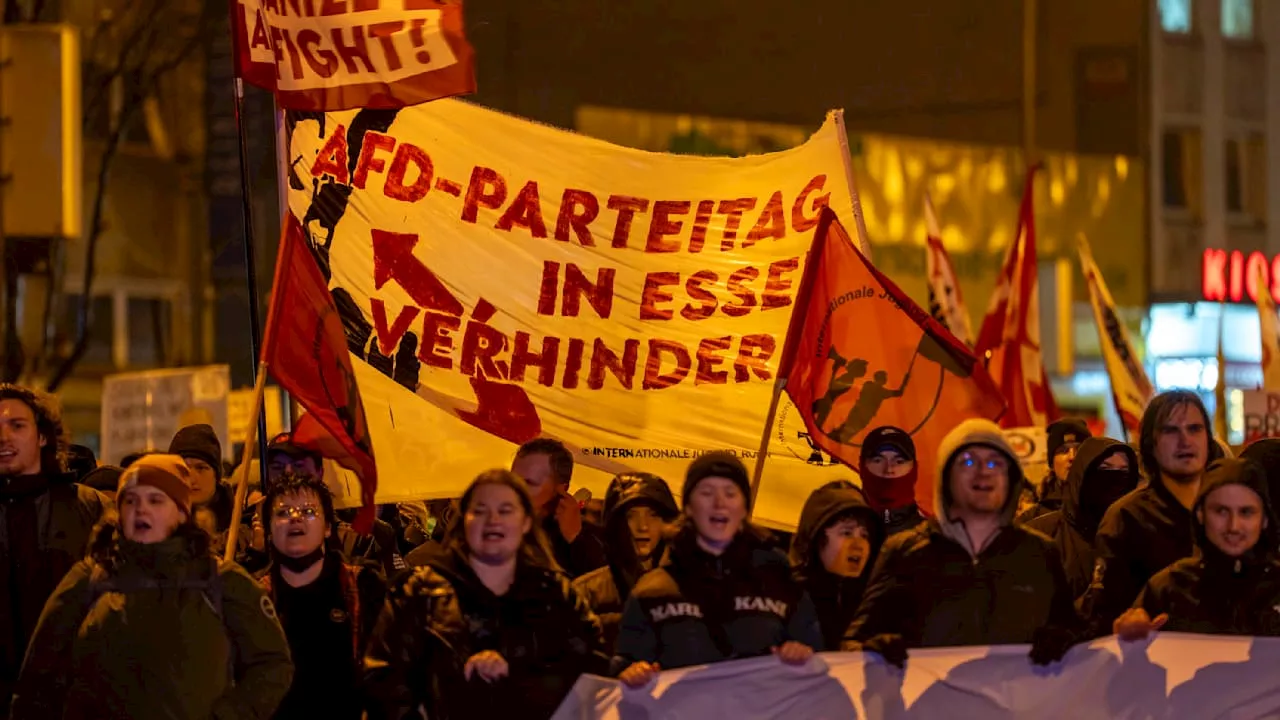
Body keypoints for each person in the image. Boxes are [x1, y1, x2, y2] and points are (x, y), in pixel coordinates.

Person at [10, 455, 293, 719]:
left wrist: (228, 715)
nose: (140, 509)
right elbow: (38, 677)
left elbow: (271, 664)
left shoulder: (221, 581)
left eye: (155, 500)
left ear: (182, 513)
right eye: (130, 501)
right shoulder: (89, 579)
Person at [364, 470, 605, 720]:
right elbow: (382, 679)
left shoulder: (557, 595)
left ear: (525, 522)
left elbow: (591, 671)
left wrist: (516, 673)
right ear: (462, 520)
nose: (493, 520)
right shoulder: (419, 593)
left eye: (505, 510)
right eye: (480, 510)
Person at [844, 420, 1083, 667]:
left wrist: (1066, 641)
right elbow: (851, 645)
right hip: (931, 704)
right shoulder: (904, 553)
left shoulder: (1040, 555)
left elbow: (1077, 638)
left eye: (994, 463)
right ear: (946, 477)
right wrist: (870, 649)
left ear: (1010, 478)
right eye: (968, 462)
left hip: (1015, 703)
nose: (983, 471)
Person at [613, 452, 821, 688]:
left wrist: (803, 654)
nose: (719, 503)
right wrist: (631, 672)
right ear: (689, 507)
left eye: (730, 493)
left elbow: (816, 660)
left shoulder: (781, 583)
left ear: (744, 508)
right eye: (707, 493)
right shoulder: (652, 593)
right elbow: (624, 662)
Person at [0, 384, 111, 711]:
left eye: (17, 426)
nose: (4, 437)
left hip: (71, 700)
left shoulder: (89, 508)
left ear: (43, 436)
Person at [1081, 390, 1222, 633]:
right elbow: (1101, 617)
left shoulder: (1230, 511)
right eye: (1171, 430)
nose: (1185, 440)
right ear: (1150, 444)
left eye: (1195, 429)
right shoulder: (1126, 518)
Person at [261, 471, 386, 720]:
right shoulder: (254, 597)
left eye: (308, 511)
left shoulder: (362, 587)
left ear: (328, 527)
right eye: (283, 513)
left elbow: (388, 675)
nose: (295, 518)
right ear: (268, 530)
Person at [1113, 458, 1280, 639]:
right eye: (1221, 511)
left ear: (1265, 519)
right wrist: (1128, 636)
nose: (1234, 526)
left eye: (1246, 512)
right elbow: (1128, 656)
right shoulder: (1170, 587)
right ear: (1200, 514)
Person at [574, 473, 680, 650]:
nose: (643, 526)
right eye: (631, 516)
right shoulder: (585, 592)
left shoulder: (691, 589)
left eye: (652, 515)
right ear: (616, 523)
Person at [1027, 438, 1141, 601]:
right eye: (1105, 468)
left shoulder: (1139, 534)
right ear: (1082, 473)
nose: (1114, 478)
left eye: (1123, 471)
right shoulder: (1041, 536)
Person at [789, 480, 884, 650]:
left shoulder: (871, 604)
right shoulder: (786, 597)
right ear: (817, 538)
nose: (858, 544)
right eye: (846, 532)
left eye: (864, 535)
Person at [511, 438, 608, 578]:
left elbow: (606, 586)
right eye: (512, 479)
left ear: (561, 489)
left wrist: (576, 537)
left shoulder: (585, 538)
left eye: (530, 483)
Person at [857, 426, 926, 536]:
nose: (889, 469)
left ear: (915, 469)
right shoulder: (842, 537)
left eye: (899, 461)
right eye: (878, 460)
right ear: (861, 467)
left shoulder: (933, 540)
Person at [1018, 418, 1090, 522]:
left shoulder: (1108, 510)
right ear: (1052, 463)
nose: (1072, 457)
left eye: (1079, 450)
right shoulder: (1032, 519)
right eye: (1064, 450)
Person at [169, 423, 234, 535]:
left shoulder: (241, 534)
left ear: (217, 476)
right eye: (183, 469)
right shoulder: (157, 533)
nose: (192, 479)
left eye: (201, 468)